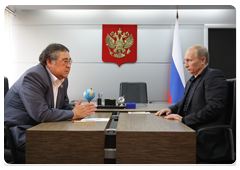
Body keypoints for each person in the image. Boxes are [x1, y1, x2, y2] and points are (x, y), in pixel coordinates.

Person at [4, 43, 97, 152]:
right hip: (19, 132)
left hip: (41, 128)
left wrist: (75, 110)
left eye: (70, 61)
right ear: (49, 62)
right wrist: (74, 113)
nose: (69, 65)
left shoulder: (62, 79)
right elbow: (41, 114)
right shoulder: (33, 78)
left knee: (79, 139)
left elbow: (63, 106)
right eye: (65, 61)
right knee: (66, 145)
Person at [155, 45, 229, 160]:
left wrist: (184, 120)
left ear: (203, 60)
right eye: (185, 61)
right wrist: (170, 109)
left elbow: (214, 108)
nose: (185, 65)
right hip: (190, 128)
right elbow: (184, 103)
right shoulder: (193, 79)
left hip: (205, 135)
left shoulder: (213, 76)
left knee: (164, 147)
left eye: (189, 60)